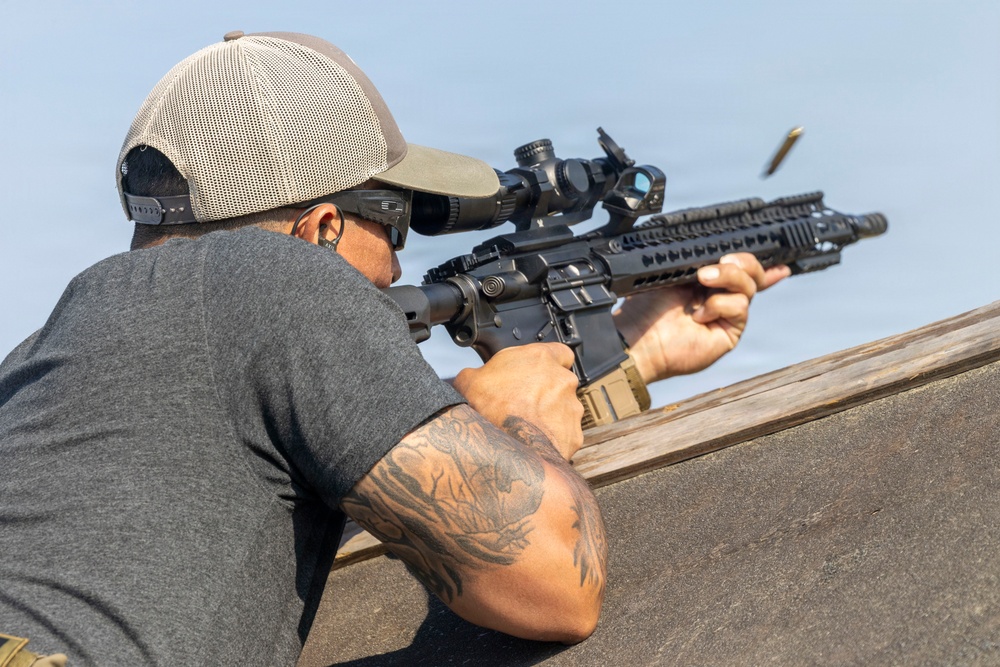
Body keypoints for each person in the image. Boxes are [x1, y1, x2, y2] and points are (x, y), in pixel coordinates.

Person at [0, 31, 788, 666]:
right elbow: (551, 580)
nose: (401, 266)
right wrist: (521, 419)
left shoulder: (43, 362)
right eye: (397, 224)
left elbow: (345, 470)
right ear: (320, 229)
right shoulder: (273, 275)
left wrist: (629, 349)